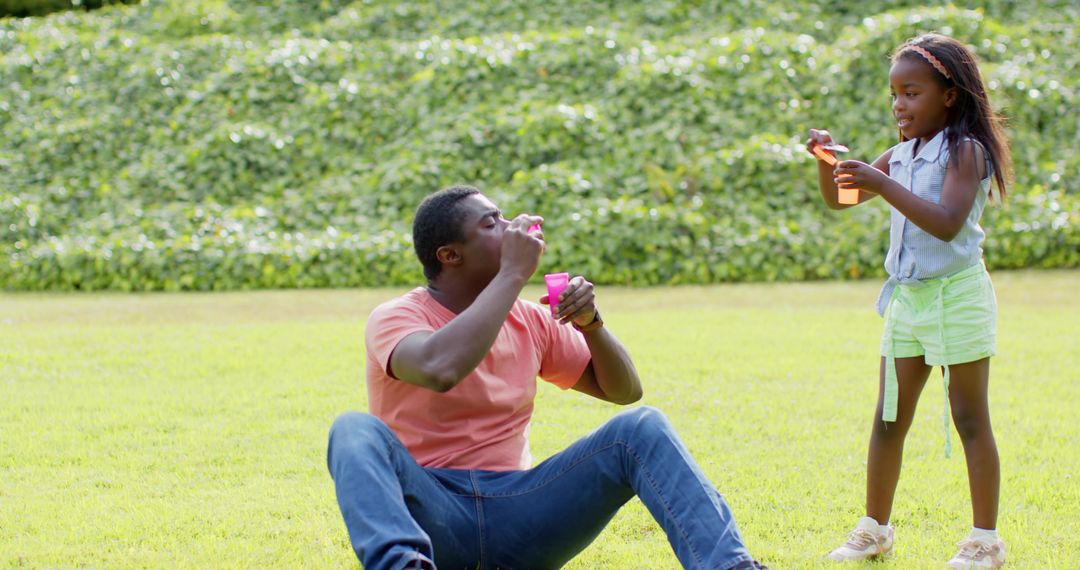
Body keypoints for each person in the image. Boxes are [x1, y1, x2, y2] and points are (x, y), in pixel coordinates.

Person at [327, 185, 766, 570]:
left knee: (641, 427)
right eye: (491, 223)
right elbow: (440, 369)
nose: (513, 226)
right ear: (450, 255)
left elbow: (624, 391)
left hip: (521, 512)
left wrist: (592, 324)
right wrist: (514, 273)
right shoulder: (396, 317)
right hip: (432, 512)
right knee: (353, 429)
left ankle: (730, 566)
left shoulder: (530, 320)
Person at [806, 34, 1012, 569]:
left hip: (958, 297)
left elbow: (946, 224)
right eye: (894, 94)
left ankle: (985, 542)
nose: (899, 105)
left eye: (911, 93)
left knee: (970, 418)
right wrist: (825, 162)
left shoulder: (966, 151)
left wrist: (882, 179)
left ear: (949, 95)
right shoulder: (901, 155)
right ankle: (874, 531)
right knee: (888, 419)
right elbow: (842, 198)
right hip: (909, 302)